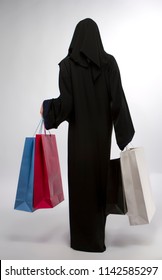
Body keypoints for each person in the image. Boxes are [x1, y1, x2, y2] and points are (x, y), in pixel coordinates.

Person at [40, 18, 135, 252]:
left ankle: (80, 240)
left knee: (81, 186)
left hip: (79, 142)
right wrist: (123, 137)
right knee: (98, 185)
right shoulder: (109, 63)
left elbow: (67, 104)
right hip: (100, 140)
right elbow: (117, 102)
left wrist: (47, 107)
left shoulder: (67, 66)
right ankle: (96, 240)